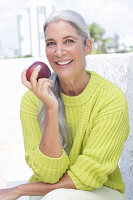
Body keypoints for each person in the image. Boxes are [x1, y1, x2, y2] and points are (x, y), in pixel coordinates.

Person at [0, 9, 129, 200]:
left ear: (87, 46)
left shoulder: (110, 99)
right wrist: (51, 108)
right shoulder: (32, 100)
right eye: (51, 43)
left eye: (69, 41)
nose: (59, 52)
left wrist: (19, 190)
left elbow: (86, 177)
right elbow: (48, 174)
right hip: (49, 189)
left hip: (100, 191)